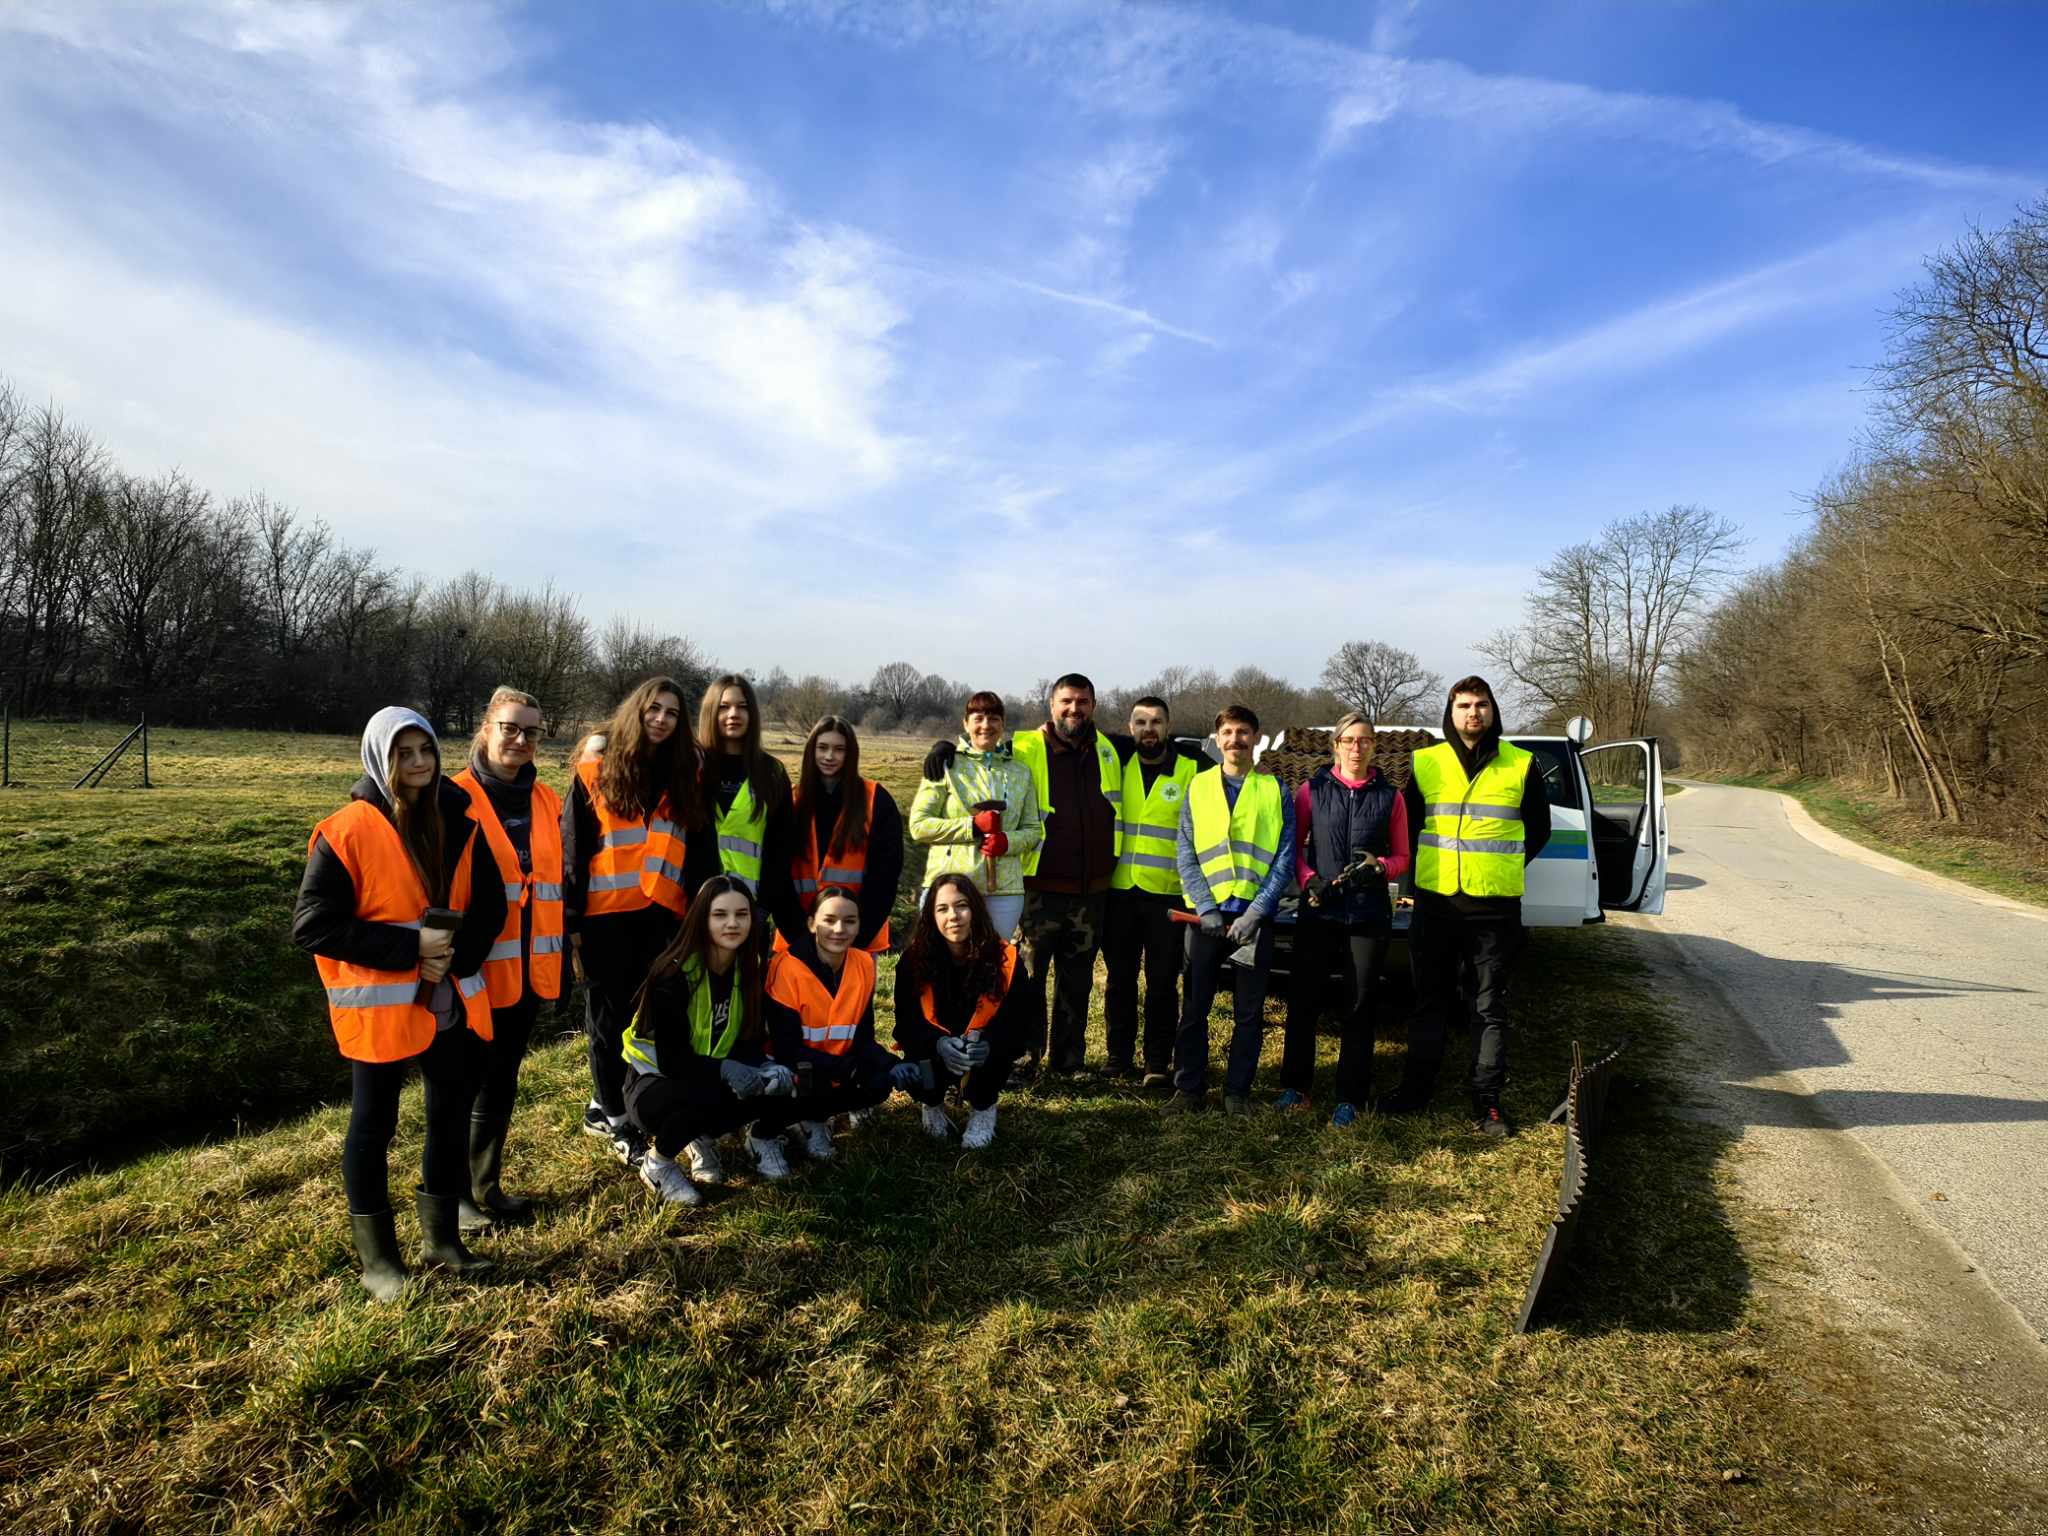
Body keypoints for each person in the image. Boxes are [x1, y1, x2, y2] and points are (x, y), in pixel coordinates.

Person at [293, 707, 507, 1300]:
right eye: (403, 753)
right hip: (383, 1009)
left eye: (426, 750)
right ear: (378, 759)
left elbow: (491, 906)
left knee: (448, 1115)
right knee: (374, 1125)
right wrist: (411, 950)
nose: (418, 763)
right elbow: (313, 925)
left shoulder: (460, 820)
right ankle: (380, 1263)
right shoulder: (344, 831)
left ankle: (443, 1242)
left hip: (449, 997)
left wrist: (455, 958)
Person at [1378, 677, 1550, 1137]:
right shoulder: (1426, 762)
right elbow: (1407, 831)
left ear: (1493, 710)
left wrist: (1500, 868)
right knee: (1428, 1002)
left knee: (1488, 1006)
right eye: (1464, 706)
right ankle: (1416, 1090)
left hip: (1494, 909)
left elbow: (1539, 830)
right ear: (1450, 713)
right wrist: (1411, 886)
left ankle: (1487, 1100)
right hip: (1435, 906)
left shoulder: (1521, 764)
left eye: (1481, 705)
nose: (1473, 713)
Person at [562, 676, 712, 1166]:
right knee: (607, 1025)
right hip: (604, 920)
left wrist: (703, 913)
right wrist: (571, 921)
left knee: (658, 1019)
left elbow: (700, 849)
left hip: (664, 920)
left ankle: (649, 1104)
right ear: (636, 711)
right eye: (654, 709)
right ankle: (613, 1117)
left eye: (672, 713)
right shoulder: (596, 770)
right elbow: (573, 849)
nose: (662, 719)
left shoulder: (686, 774)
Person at [449, 686, 565, 1230]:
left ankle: (485, 1185)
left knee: (501, 1083)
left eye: (531, 732)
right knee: (460, 1087)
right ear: (486, 729)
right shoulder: (453, 797)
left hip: (527, 974)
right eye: (510, 728)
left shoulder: (548, 801)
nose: (521, 740)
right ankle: (453, 1196)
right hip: (471, 973)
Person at [620, 875, 797, 1206]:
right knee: (705, 1095)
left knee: (782, 1079)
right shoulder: (674, 974)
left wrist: (764, 1068)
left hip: (704, 1074)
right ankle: (658, 1164)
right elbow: (672, 1061)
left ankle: (751, 1138)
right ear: (702, 918)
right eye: (720, 914)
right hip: (653, 1085)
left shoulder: (747, 970)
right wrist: (727, 1069)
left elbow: (749, 1039)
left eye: (742, 914)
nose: (732, 923)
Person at [989, 674, 1131, 1075]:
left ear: (1093, 706)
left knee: (1077, 980)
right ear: (1052, 705)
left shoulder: (1109, 749)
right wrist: (945, 749)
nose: (1074, 709)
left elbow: (1164, 746)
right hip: (1038, 888)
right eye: (1066, 701)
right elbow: (977, 753)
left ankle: (1068, 1061)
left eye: (1082, 702)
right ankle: (1024, 1058)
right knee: (1028, 977)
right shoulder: (1022, 746)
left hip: (1090, 891)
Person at [1280, 713, 1411, 1127]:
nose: (1357, 747)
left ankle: (1349, 1097)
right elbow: (1293, 848)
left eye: (1365, 740)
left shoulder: (1391, 797)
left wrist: (1381, 868)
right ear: (1335, 745)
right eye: (1349, 740)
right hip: (1320, 907)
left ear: (1374, 746)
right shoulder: (1311, 790)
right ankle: (1296, 1087)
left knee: (1359, 1004)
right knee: (1305, 999)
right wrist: (1309, 880)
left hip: (1368, 913)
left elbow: (1403, 856)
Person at [1164, 704, 1295, 1117]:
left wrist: (1256, 912)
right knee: (1194, 1008)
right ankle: (1188, 1089)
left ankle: (1238, 1092)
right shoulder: (1198, 787)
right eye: (1228, 732)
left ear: (1255, 738)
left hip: (1253, 922)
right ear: (1217, 739)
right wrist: (1206, 907)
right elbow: (1186, 852)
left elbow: (1285, 858)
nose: (1235, 739)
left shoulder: (1275, 791)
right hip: (1205, 921)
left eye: (1243, 732)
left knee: (1249, 1014)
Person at [757, 887, 921, 1169]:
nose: (839, 929)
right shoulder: (787, 968)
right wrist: (851, 1069)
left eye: (849, 921)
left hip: (834, 1068)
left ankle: (814, 1121)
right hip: (788, 1070)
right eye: (829, 920)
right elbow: (787, 1050)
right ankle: (763, 1135)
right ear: (812, 924)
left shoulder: (862, 964)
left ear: (858, 926)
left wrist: (891, 1064)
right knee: (811, 1081)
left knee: (880, 1083)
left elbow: (864, 1039)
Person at [1101, 694, 1199, 1087]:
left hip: (1167, 895)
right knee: (1119, 980)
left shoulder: (1191, 768)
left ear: (1168, 727)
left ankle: (1157, 1061)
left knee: (1162, 983)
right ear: (1130, 728)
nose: (1148, 729)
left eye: (1156, 722)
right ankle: (1118, 1056)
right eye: (1140, 722)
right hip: (1120, 892)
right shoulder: (1117, 763)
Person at [892, 872, 1030, 1148]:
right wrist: (938, 1043)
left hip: (981, 1053)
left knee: (993, 1057)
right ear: (931, 916)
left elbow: (1020, 1025)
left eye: (961, 906)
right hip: (935, 1049)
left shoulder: (1007, 960)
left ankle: (983, 1109)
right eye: (942, 909)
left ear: (975, 910)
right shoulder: (913, 960)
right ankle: (931, 1105)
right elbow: (905, 1024)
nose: (953, 916)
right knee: (920, 1063)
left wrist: (989, 1046)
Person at [909, 690, 1043, 940]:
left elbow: (1033, 830)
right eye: (978, 718)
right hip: (949, 888)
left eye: (993, 718)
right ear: (965, 723)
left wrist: (1007, 842)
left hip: (1004, 891)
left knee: (994, 957)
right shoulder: (946, 765)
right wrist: (972, 826)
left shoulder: (1020, 772)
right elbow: (919, 826)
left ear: (1003, 724)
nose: (985, 725)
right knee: (944, 958)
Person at [789, 716, 903, 953]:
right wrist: (801, 936)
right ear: (811, 751)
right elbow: (779, 876)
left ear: (851, 754)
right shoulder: (792, 800)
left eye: (839, 749)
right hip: (798, 936)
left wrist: (856, 935)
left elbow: (885, 878)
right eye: (822, 748)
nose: (829, 756)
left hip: (858, 936)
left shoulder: (876, 800)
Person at [698, 674, 797, 933]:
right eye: (724, 706)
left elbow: (781, 849)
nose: (733, 714)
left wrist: (762, 908)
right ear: (710, 712)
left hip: (748, 913)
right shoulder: (691, 768)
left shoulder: (772, 773)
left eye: (742, 707)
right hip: (693, 911)